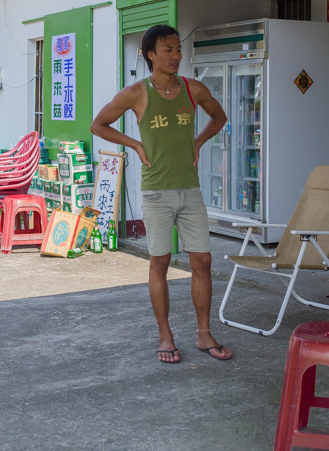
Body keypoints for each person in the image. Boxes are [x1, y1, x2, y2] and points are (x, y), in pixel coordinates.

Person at [91, 24, 232, 364]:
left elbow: (219, 116)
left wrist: (198, 141)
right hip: (156, 192)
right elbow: (99, 125)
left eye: (177, 50)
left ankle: (203, 334)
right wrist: (135, 144)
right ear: (150, 55)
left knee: (203, 261)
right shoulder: (136, 93)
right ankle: (165, 335)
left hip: (190, 190)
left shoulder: (193, 89)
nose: (175, 56)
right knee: (160, 263)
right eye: (168, 50)